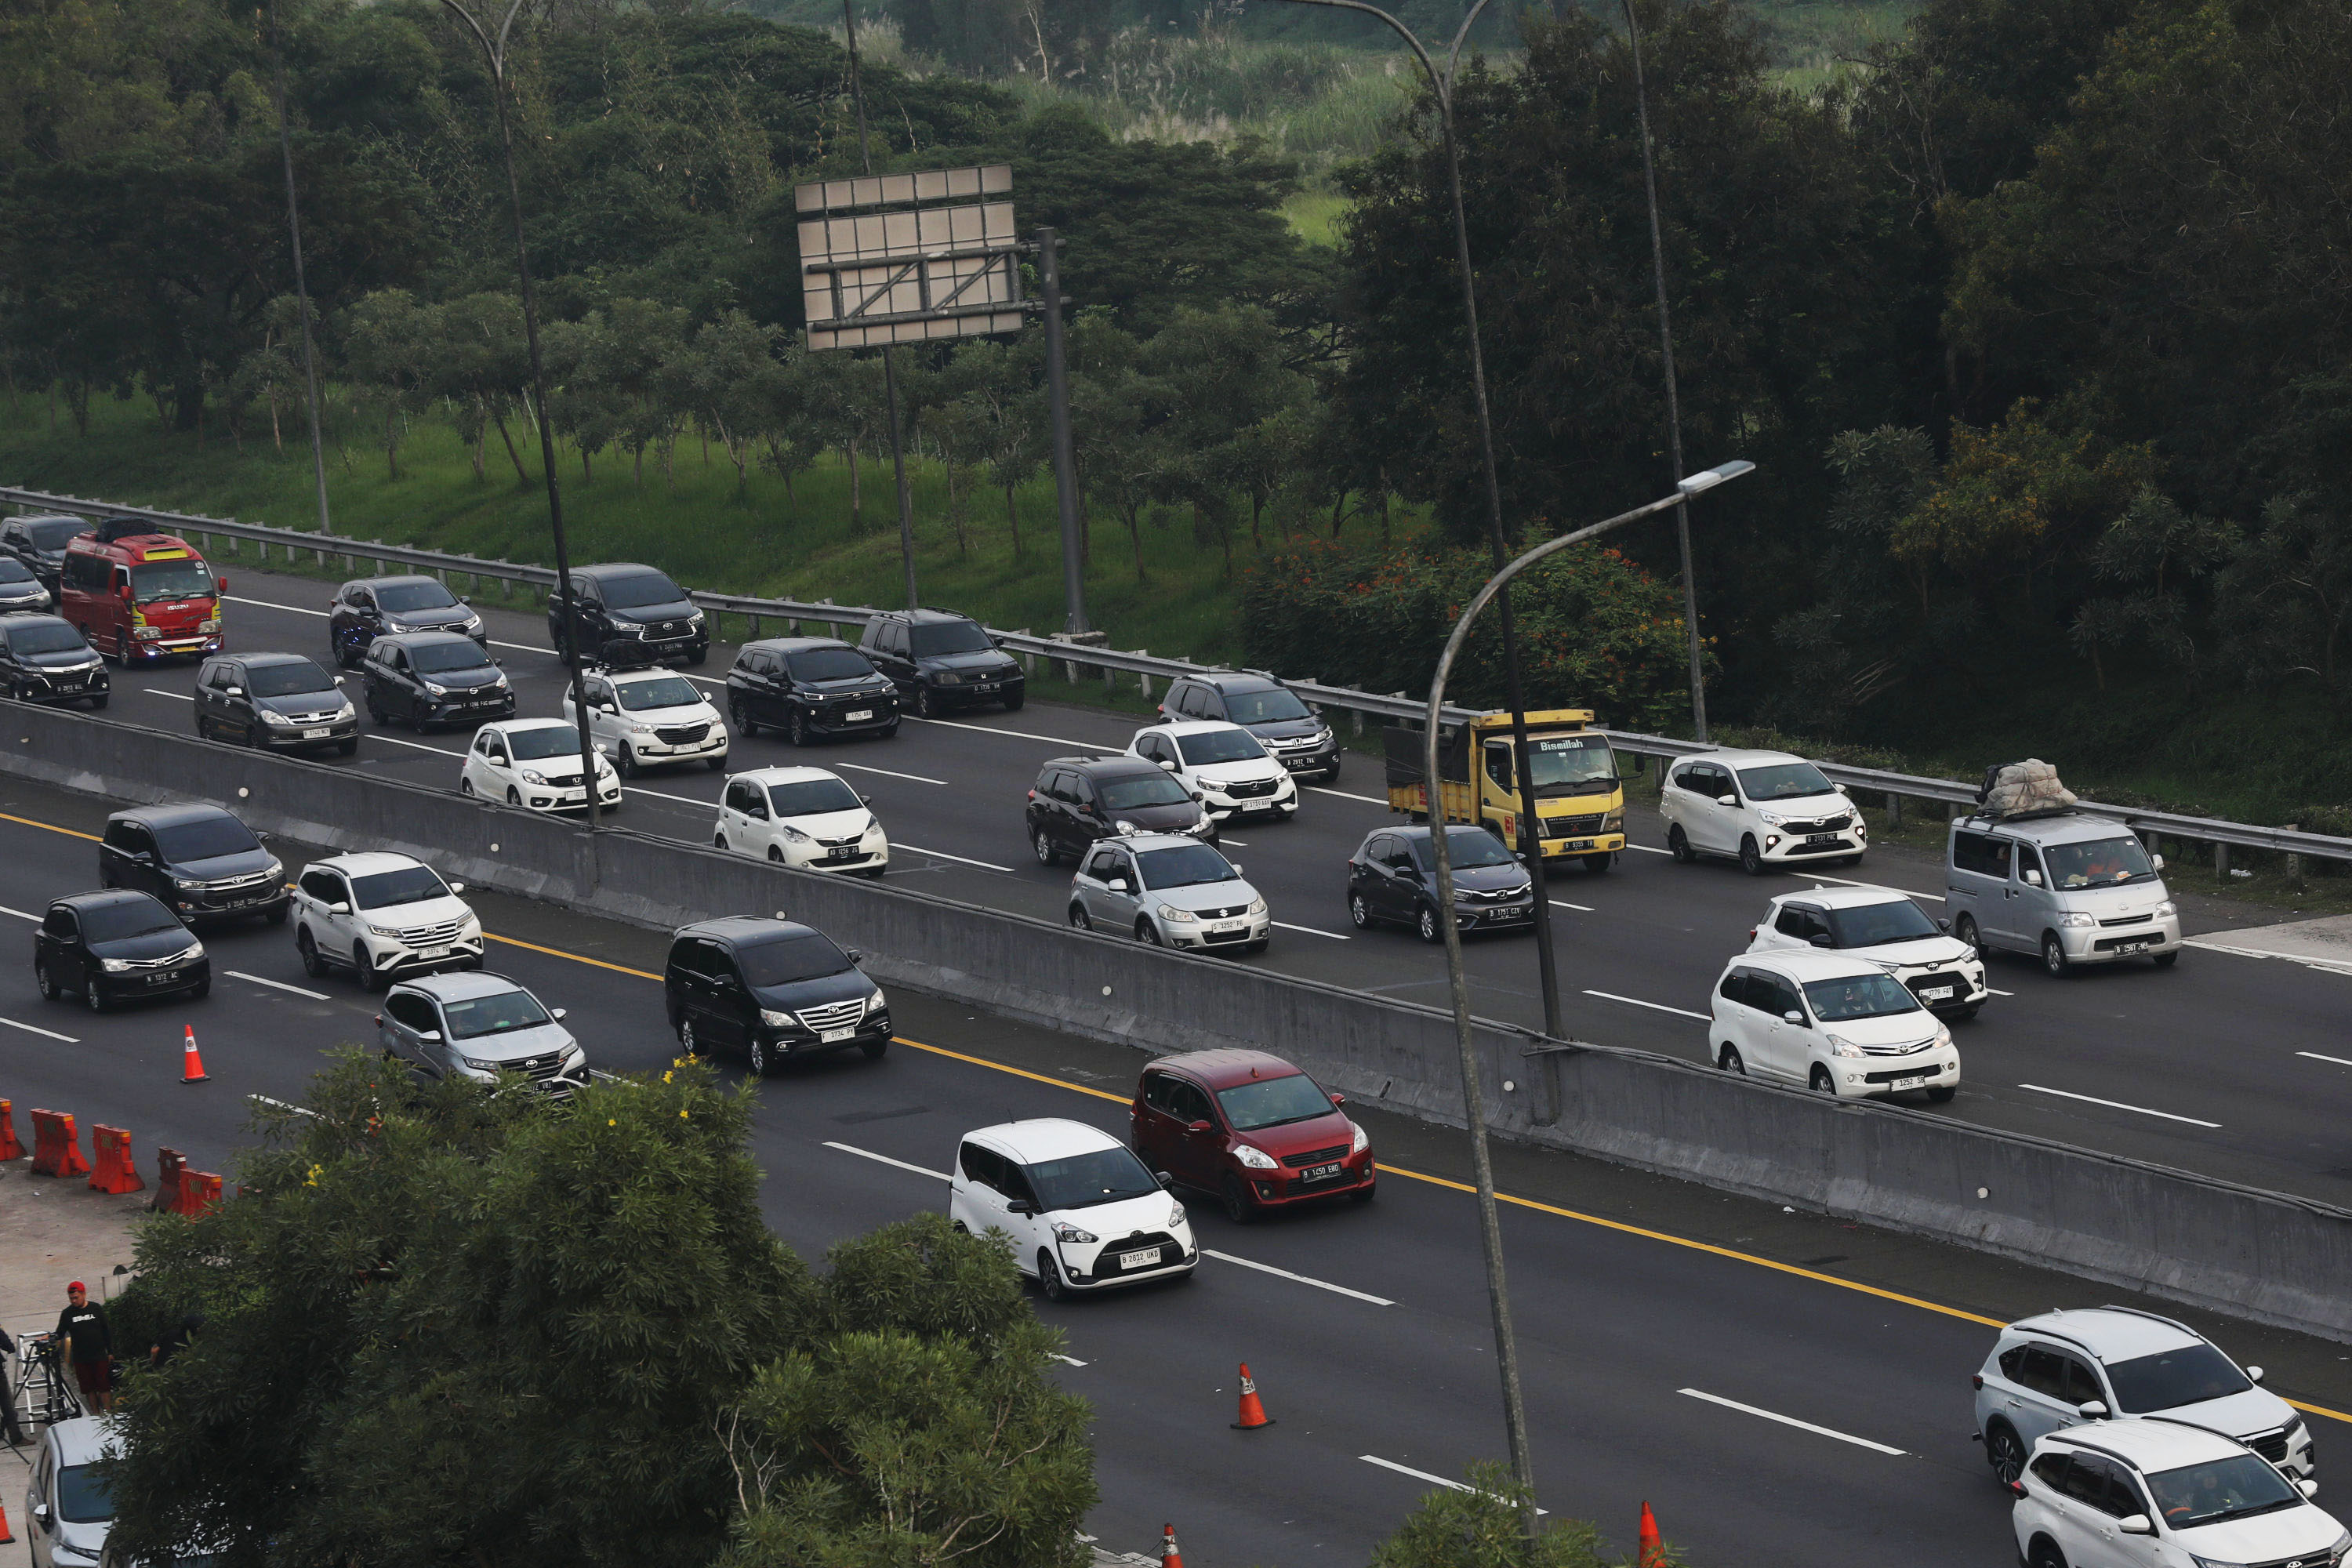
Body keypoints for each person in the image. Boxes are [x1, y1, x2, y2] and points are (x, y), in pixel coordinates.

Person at [56, 1280, 114, 1414]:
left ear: (84, 1294)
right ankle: (95, 1414)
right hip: (81, 1357)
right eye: (71, 1298)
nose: (74, 1301)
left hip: (99, 1355)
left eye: (76, 1298)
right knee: (88, 1388)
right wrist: (49, 1337)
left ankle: (108, 1413)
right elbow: (59, 1333)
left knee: (104, 1386)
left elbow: (106, 1330)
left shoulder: (95, 1308)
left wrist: (110, 1351)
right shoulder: (67, 1313)